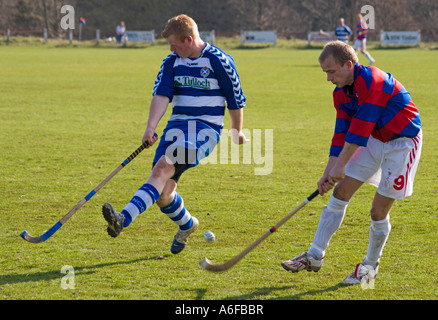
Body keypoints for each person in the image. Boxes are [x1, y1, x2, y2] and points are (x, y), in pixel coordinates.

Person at [102, 14, 248, 254]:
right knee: (163, 194)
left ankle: (123, 219)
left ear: (189, 40)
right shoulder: (171, 62)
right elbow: (161, 95)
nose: (171, 48)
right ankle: (188, 225)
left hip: (203, 130)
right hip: (175, 127)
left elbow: (235, 100)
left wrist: (237, 132)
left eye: (174, 44)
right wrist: (150, 127)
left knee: (162, 168)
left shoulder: (219, 61)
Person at [281, 41, 422, 285]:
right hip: (375, 139)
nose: (328, 79)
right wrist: (328, 172)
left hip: (402, 144)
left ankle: (369, 267)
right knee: (340, 190)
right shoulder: (341, 92)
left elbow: (359, 131)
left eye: (331, 72)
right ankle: (314, 255)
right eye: (325, 73)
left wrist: (340, 167)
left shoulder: (373, 82)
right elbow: (341, 133)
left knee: (378, 211)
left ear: (348, 65)